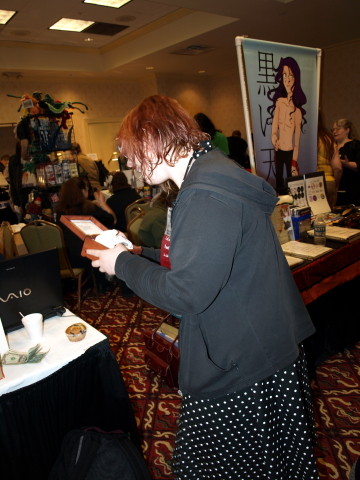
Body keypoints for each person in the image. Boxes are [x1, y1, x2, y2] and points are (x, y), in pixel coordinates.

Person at [87, 94, 319, 480]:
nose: (127, 163)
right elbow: (203, 263)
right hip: (257, 346)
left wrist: (121, 264)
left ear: (154, 139)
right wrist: (136, 251)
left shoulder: (204, 193)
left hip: (241, 363)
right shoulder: (211, 174)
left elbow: (187, 293)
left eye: (129, 152)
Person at [56, 176, 116, 292]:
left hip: (67, 257)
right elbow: (112, 220)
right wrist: (102, 203)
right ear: (83, 191)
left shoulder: (59, 212)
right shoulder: (89, 208)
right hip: (89, 255)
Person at [267, 57, 307, 194]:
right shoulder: (279, 103)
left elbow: (297, 140)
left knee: (291, 181)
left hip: (290, 150)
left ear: (296, 78)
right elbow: (274, 127)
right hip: (279, 149)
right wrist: (274, 138)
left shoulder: (298, 111)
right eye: (284, 74)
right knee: (278, 179)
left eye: (291, 75)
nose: (287, 79)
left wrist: (294, 161)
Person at [331, 118, 360, 206]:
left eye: (338, 129)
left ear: (347, 130)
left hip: (351, 188)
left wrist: (347, 164)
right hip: (334, 188)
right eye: (333, 130)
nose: (334, 132)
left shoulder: (355, 145)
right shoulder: (331, 146)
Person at [317, 112, 342, 210]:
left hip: (312, 183)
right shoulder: (328, 139)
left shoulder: (306, 138)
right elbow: (338, 168)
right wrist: (335, 185)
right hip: (329, 182)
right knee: (329, 220)